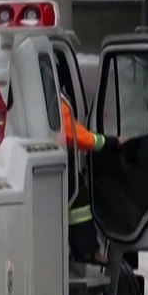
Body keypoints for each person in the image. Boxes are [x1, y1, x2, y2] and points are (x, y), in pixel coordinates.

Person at [61, 95, 126, 266]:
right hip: (56, 163)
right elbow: (74, 134)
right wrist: (108, 142)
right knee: (78, 198)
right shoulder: (52, 95)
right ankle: (87, 250)